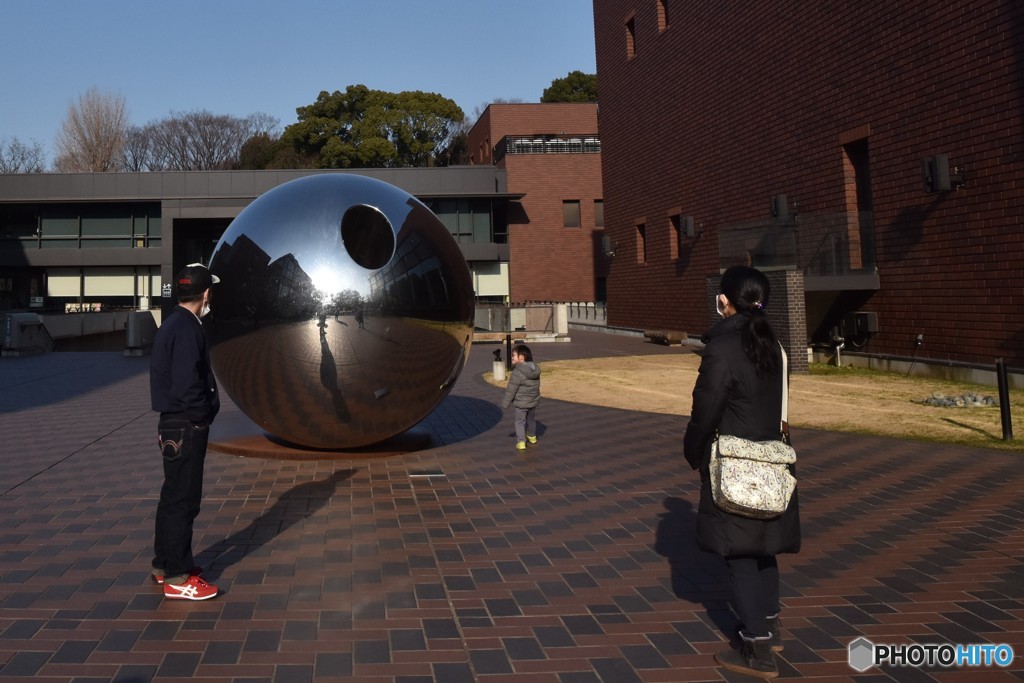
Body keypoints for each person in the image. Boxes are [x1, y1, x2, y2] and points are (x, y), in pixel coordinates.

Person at [682, 265, 801, 679]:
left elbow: (706, 408)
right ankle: (769, 624)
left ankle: (757, 649)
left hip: (735, 465)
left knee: (741, 556)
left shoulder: (723, 348)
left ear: (725, 300)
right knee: (765, 547)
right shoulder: (775, 344)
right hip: (773, 461)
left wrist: (692, 451)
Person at [149, 263, 222, 601]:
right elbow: (186, 383)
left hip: (171, 423)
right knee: (184, 501)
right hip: (185, 424)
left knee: (172, 497)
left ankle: (165, 564)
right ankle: (178, 578)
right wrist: (201, 417)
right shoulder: (189, 327)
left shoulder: (172, 323)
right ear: (205, 293)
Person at [501, 343, 541, 451]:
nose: (512, 357)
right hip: (532, 402)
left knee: (520, 422)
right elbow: (536, 386)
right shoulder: (535, 369)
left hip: (521, 403)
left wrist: (505, 403)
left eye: (514, 355)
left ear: (522, 357)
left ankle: (521, 442)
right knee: (531, 419)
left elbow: (511, 389)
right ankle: (532, 437)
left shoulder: (517, 372)